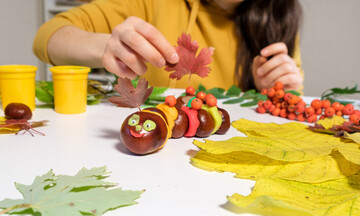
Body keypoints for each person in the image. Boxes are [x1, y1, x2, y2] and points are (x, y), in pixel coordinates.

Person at [33, 0, 304, 92]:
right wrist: (105, 47)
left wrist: (271, 89)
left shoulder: (278, 20)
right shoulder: (153, 3)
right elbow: (48, 37)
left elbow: (289, 101)